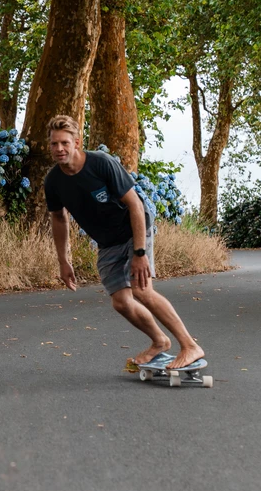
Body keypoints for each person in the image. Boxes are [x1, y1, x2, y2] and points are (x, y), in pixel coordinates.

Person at [43, 114, 205, 370]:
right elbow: (59, 219)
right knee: (121, 301)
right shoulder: (53, 181)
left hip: (134, 230)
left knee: (142, 290)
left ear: (76, 142)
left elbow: (136, 206)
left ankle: (190, 346)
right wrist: (64, 261)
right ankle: (160, 342)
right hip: (108, 243)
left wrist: (140, 253)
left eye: (64, 142)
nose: (59, 149)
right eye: (54, 144)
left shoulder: (101, 163)